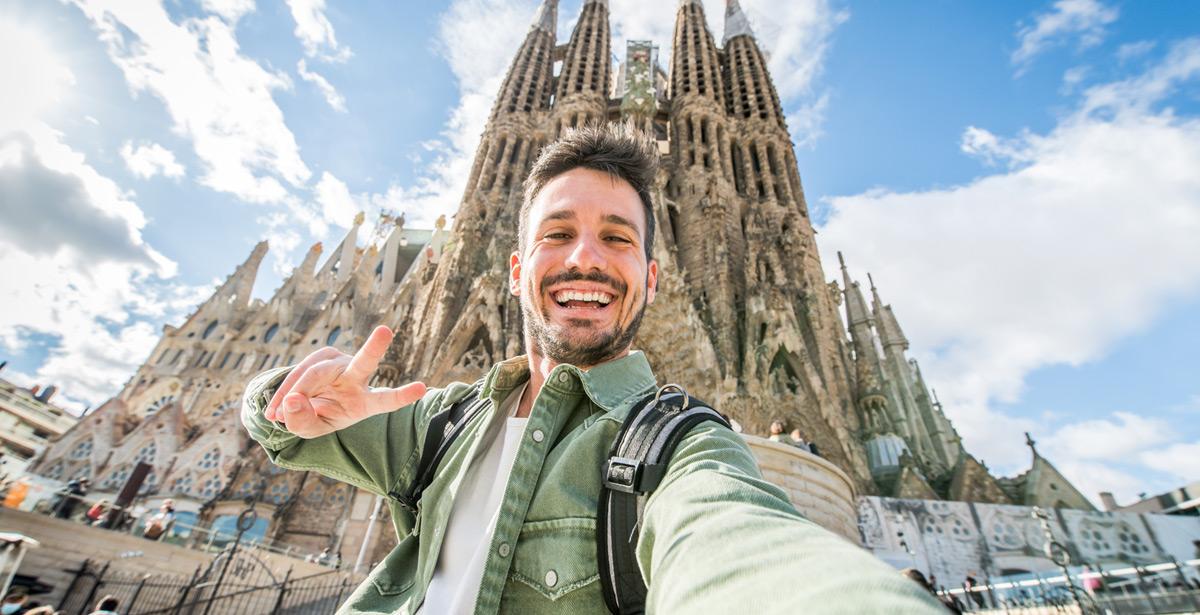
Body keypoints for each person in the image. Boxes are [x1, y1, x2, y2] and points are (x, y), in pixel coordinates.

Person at [242, 124, 944, 613]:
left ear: (653, 275)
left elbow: (733, 540)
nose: (586, 257)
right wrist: (286, 395)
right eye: (558, 233)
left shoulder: (682, 449)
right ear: (515, 270)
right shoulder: (439, 419)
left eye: (616, 236)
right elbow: (280, 430)